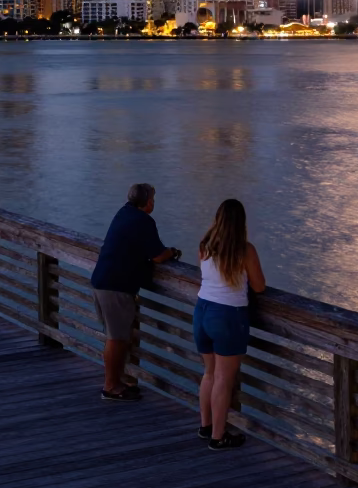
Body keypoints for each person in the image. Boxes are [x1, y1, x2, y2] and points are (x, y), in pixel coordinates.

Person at [91, 183, 180, 401]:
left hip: (102, 280)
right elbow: (158, 256)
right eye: (153, 199)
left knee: (116, 337)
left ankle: (116, 382)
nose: (154, 203)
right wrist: (173, 252)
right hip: (116, 286)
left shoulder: (124, 213)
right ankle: (110, 387)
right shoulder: (143, 221)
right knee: (117, 338)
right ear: (148, 202)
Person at [193, 199, 266, 450]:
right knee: (224, 379)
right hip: (228, 315)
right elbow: (259, 286)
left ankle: (205, 426)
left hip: (202, 310)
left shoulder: (205, 246)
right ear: (241, 222)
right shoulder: (245, 250)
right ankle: (218, 436)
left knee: (210, 373)